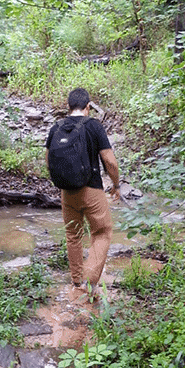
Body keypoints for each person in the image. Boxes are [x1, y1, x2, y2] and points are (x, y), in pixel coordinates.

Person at [45, 87, 121, 299]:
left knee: (73, 235)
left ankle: (77, 281)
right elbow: (110, 161)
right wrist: (116, 184)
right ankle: (89, 281)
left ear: (68, 107)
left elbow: (48, 159)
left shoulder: (56, 127)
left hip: (67, 192)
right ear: (88, 107)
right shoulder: (94, 126)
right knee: (102, 232)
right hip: (92, 190)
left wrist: (62, 180)